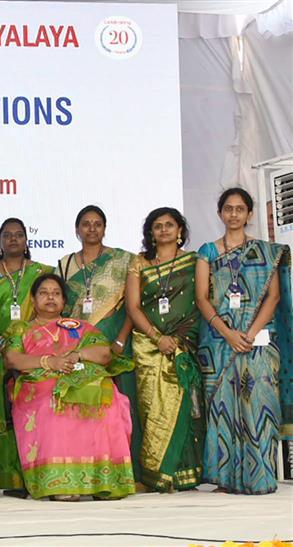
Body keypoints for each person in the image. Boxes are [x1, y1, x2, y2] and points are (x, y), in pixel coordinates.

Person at [195, 188, 292, 495]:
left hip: (258, 340)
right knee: (222, 406)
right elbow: (201, 298)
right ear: (220, 213)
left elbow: (273, 297)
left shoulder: (265, 252)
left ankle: (260, 477)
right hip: (219, 342)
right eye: (228, 208)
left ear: (249, 214)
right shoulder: (207, 251)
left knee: (259, 402)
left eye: (240, 209)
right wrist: (228, 333)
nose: (234, 214)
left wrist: (249, 334)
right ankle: (227, 479)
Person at [4, 274, 135, 501]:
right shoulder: (21, 330)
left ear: (64, 301)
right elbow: (11, 359)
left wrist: (78, 354)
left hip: (82, 378)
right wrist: (48, 362)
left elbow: (104, 354)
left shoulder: (82, 327)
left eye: (56, 293)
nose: (50, 298)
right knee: (54, 402)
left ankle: (103, 481)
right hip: (39, 383)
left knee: (108, 401)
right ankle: (61, 483)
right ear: (33, 300)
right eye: (44, 293)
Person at [56, 205, 141, 484]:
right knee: (88, 405)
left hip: (117, 341)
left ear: (104, 228)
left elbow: (133, 305)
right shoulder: (65, 264)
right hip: (81, 346)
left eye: (97, 224)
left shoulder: (124, 260)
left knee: (123, 404)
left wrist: (121, 337)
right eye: (86, 224)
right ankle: (92, 468)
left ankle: (129, 470)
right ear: (77, 230)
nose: (91, 229)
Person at [125, 207, 203, 493]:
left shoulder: (194, 261)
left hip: (184, 341)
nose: (164, 230)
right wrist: (157, 337)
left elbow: (202, 300)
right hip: (148, 346)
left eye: (169, 225)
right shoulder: (139, 263)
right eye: (157, 226)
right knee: (153, 407)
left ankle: (185, 475)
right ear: (151, 232)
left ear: (180, 230)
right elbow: (133, 307)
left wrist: (176, 340)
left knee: (185, 406)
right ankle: (156, 475)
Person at [0, 217, 53, 492]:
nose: (13, 239)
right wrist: (0, 343)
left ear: (26, 239)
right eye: (7, 235)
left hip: (36, 354)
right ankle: (5, 477)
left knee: (33, 410)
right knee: (2, 412)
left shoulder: (43, 271)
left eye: (18, 235)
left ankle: (38, 471)